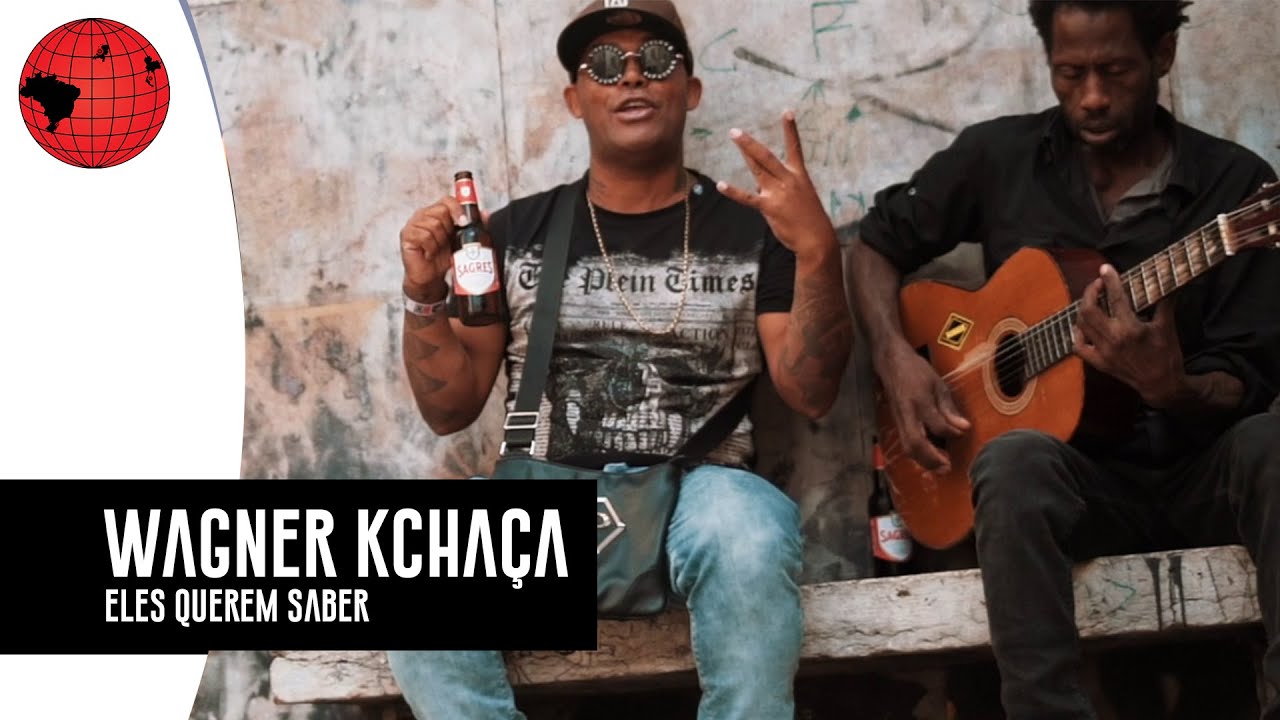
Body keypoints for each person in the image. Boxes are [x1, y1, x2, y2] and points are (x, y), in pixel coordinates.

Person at [389, 0, 853, 717]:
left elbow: (811, 391)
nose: (632, 76)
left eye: (655, 59)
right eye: (605, 64)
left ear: (690, 89)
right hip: (546, 504)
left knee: (746, 532)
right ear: (575, 99)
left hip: (698, 499)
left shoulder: (755, 230)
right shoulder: (514, 233)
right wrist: (424, 293)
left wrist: (818, 254)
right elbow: (450, 410)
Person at [849, 1, 1280, 718]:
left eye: (1115, 71)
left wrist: (1174, 388)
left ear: (1163, 55)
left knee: (1274, 442)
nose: (1092, 96)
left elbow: (1252, 379)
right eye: (1070, 73)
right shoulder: (998, 158)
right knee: (1012, 462)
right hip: (1081, 487)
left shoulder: (1234, 191)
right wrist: (897, 359)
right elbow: (873, 246)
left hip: (1198, 478)